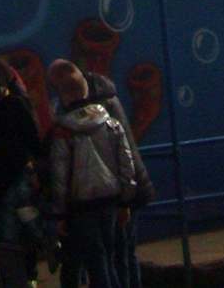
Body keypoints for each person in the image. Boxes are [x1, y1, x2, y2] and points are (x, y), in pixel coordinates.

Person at [45, 57, 137, 288]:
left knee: (96, 261)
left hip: (82, 205)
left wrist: (59, 214)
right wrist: (126, 200)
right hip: (111, 200)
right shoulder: (111, 123)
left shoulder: (63, 132)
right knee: (110, 256)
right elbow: (126, 163)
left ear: (63, 96)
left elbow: (59, 177)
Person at [0, 58, 48, 288]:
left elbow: (32, 140)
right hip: (12, 179)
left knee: (12, 236)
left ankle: (25, 277)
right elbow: (34, 141)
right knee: (23, 231)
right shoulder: (11, 105)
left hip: (11, 180)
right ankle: (29, 275)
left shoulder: (7, 107)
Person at [84, 67, 156, 288]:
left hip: (118, 192)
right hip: (130, 189)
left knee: (115, 254)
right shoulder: (112, 105)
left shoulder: (98, 114)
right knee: (126, 252)